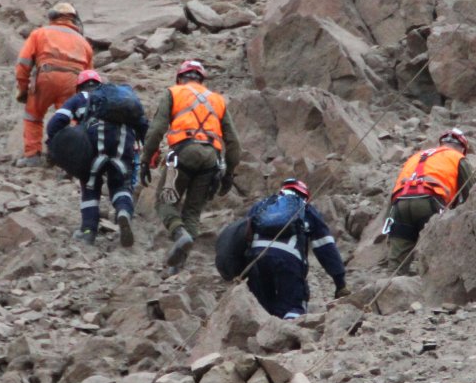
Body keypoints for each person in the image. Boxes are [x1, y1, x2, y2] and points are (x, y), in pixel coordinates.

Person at [139, 60, 241, 275]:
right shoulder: (217, 100)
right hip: (211, 159)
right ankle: (177, 267)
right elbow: (234, 142)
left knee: (165, 201)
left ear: (179, 78)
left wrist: (145, 159)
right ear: (202, 80)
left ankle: (179, 234)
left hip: (182, 155)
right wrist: (229, 174)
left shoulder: (173, 92)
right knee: (193, 212)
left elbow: (156, 129)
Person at [46, 70, 148, 247]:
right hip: (123, 143)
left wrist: (55, 144)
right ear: (100, 84)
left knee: (90, 184)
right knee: (120, 184)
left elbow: (56, 122)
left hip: (95, 143)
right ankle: (123, 212)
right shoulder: (117, 99)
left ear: (79, 87)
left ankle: (88, 230)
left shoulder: (80, 98)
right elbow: (144, 125)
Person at [245, 179, 349, 320]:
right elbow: (325, 246)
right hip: (288, 260)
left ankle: (263, 329)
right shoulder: (306, 209)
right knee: (293, 306)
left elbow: (242, 236)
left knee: (261, 308)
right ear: (305, 195)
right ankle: (290, 329)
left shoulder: (262, 205)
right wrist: (340, 282)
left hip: (256, 259)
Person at [15, 2, 94, 168]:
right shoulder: (84, 43)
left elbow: (23, 63)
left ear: (52, 16)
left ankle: (32, 156)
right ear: (74, 19)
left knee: (33, 115)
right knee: (68, 119)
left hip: (46, 77)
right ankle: (66, 159)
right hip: (73, 82)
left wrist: (23, 89)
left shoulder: (40, 33)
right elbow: (89, 77)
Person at [384, 128, 474, 272]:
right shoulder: (457, 157)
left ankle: (394, 279)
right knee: (437, 252)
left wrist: (388, 220)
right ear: (462, 148)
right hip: (429, 202)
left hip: (400, 203)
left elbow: (396, 188)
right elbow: (472, 192)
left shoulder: (416, 156)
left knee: (397, 263)